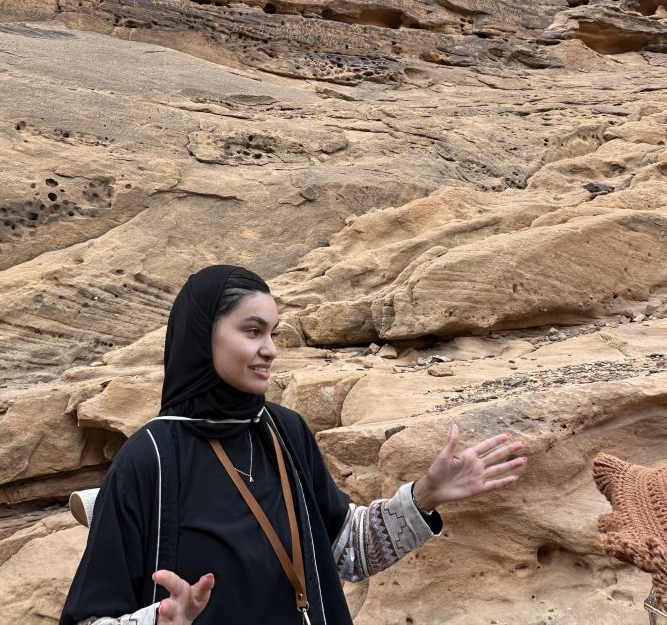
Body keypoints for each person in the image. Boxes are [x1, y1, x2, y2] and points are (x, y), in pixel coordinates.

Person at [60, 265, 526, 625]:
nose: (271, 350)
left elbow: (347, 552)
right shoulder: (150, 458)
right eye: (252, 331)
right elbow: (91, 616)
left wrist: (426, 494)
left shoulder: (284, 431)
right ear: (204, 337)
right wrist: (160, 619)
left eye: (273, 333)